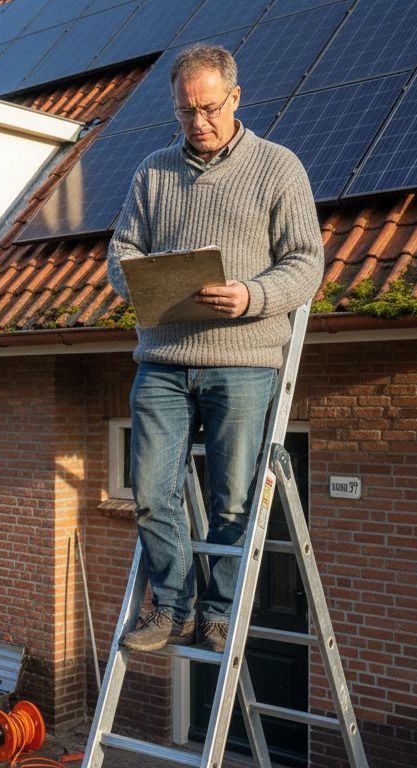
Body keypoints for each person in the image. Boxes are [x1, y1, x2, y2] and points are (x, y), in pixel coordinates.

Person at [106, 44, 324, 653]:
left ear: (235, 97)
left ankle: (221, 611)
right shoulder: (152, 173)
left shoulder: (279, 168)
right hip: (163, 363)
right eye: (184, 112)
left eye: (208, 109)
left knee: (233, 499)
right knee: (150, 492)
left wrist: (251, 295)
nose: (197, 122)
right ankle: (171, 607)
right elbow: (121, 249)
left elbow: (308, 264)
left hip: (244, 363)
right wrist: (139, 282)